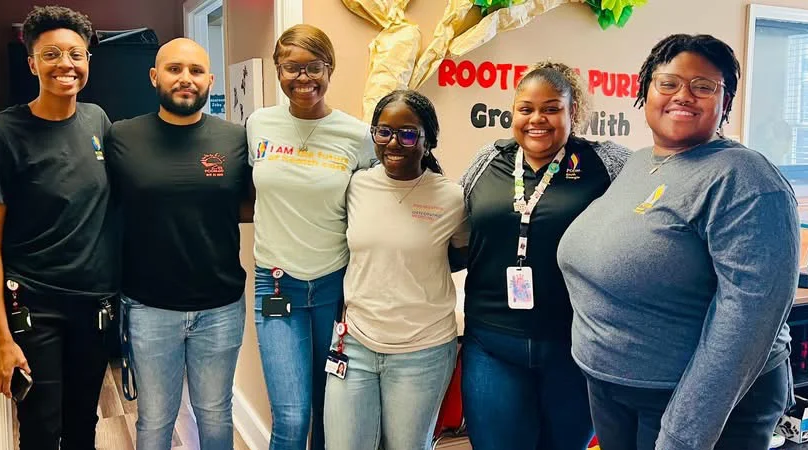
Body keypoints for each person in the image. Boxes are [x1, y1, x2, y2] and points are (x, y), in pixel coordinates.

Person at [558, 34, 797, 450]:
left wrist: (683, 435)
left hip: (688, 404)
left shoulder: (744, 178)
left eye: (704, 86)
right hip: (617, 389)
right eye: (667, 83)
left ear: (726, 102)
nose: (683, 95)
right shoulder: (638, 162)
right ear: (645, 92)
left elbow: (746, 324)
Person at [458, 61, 630, 450]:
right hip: (492, 343)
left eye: (552, 108)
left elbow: (654, 207)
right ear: (513, 112)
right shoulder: (488, 160)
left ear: (574, 113)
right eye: (526, 108)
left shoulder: (608, 164)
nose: (538, 119)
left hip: (574, 346)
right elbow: (450, 223)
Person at [0, 6, 116, 449]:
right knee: (39, 427)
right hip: (35, 306)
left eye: (76, 53)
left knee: (82, 426)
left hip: (94, 302)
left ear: (88, 60)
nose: (65, 65)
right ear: (31, 62)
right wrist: (0, 338)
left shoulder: (98, 121)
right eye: (50, 54)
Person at [104, 38, 251, 450]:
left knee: (216, 411)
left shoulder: (235, 139)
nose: (185, 78)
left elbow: (248, 206)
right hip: (149, 306)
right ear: (155, 76)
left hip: (221, 305)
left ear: (210, 80)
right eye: (174, 69)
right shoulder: (121, 137)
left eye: (196, 70)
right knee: (155, 418)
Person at [245, 24, 376, 450]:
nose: (303, 78)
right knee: (292, 414)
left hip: (335, 288)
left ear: (330, 68)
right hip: (275, 285)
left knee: (328, 410)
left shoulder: (356, 135)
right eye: (292, 68)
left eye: (314, 67)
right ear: (278, 71)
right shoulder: (258, 124)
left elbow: (373, 204)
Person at [323, 90, 467, 450]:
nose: (393, 143)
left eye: (407, 134)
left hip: (424, 350)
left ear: (428, 141)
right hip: (354, 343)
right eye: (383, 132)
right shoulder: (356, 185)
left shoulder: (450, 197)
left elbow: (464, 254)